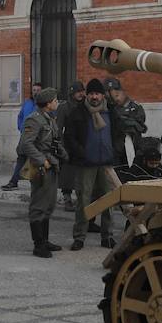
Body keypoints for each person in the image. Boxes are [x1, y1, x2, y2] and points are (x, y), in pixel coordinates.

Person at [60, 78, 122, 250]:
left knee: (108, 202)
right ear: (87, 95)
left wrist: (115, 151)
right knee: (83, 201)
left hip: (106, 164)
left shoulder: (111, 112)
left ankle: (107, 236)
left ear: (103, 95)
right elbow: (70, 137)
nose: (94, 97)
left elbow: (119, 134)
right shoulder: (78, 113)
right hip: (85, 164)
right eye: (92, 93)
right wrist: (82, 153)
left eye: (97, 93)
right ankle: (79, 237)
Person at [18, 87, 65, 258]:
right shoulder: (34, 120)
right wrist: (42, 160)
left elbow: (54, 141)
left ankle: (44, 240)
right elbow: (26, 144)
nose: (57, 102)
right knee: (38, 205)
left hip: (52, 164)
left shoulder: (50, 119)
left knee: (49, 204)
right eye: (55, 100)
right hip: (40, 167)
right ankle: (38, 245)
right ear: (47, 103)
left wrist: (63, 155)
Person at [0, 83, 41, 192]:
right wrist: (20, 128)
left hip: (37, 139)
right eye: (34, 90)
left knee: (36, 161)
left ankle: (38, 185)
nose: (36, 92)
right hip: (25, 137)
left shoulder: (44, 105)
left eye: (38, 90)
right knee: (21, 158)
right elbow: (20, 117)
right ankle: (14, 182)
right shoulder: (27, 103)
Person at [104, 77, 147, 168]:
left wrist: (125, 122)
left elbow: (139, 125)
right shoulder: (106, 109)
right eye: (109, 91)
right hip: (113, 147)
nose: (112, 93)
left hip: (132, 145)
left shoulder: (134, 107)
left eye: (116, 90)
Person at [55, 80, 85, 208]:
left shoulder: (85, 106)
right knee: (67, 173)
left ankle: (81, 198)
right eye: (78, 92)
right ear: (72, 93)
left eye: (82, 91)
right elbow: (59, 128)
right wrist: (60, 146)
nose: (80, 94)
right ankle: (67, 197)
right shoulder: (64, 107)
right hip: (68, 144)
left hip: (81, 143)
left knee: (81, 173)